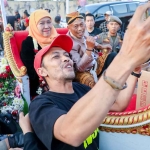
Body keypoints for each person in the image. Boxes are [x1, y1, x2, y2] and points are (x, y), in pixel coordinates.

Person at [28, 4, 150, 148]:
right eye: (56, 57)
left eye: (66, 55)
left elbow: (119, 105)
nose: (66, 58)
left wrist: (134, 69)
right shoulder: (41, 105)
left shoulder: (80, 89)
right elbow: (70, 133)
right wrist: (125, 58)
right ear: (42, 71)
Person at [66, 11, 115, 87]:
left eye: (82, 25)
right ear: (68, 28)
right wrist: (89, 49)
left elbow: (91, 41)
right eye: (76, 26)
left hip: (94, 62)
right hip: (82, 71)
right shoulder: (69, 42)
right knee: (91, 83)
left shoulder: (84, 31)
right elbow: (80, 68)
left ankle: (110, 84)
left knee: (113, 56)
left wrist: (101, 46)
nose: (80, 29)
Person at [20, 9, 58, 98]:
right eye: (42, 23)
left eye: (49, 22)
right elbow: (31, 70)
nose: (47, 26)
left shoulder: (57, 39)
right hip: (41, 85)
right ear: (34, 25)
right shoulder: (28, 43)